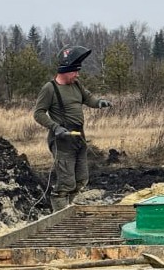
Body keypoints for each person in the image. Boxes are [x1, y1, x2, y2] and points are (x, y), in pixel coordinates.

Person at [33, 45, 112, 213]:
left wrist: (99, 103)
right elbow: (38, 113)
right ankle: (60, 217)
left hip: (79, 138)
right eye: (75, 71)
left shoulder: (76, 84)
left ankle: (69, 209)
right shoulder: (50, 89)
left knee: (81, 179)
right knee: (66, 183)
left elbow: (88, 98)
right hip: (62, 140)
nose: (77, 75)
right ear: (65, 71)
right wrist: (55, 127)